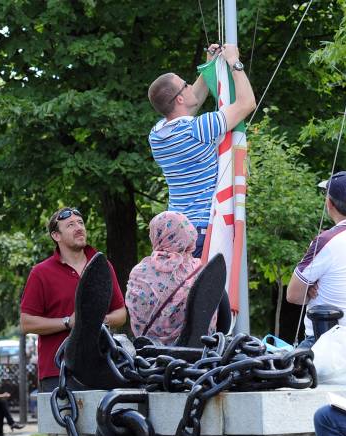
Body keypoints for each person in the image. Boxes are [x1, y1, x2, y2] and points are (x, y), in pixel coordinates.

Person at [148, 43, 256, 257]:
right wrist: (234, 62)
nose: (190, 86)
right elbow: (247, 103)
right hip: (200, 232)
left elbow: (188, 106)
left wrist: (210, 64)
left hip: (175, 231)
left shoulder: (156, 135)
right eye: (185, 84)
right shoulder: (198, 129)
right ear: (179, 98)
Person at [20, 207, 127, 392]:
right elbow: (26, 323)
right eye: (70, 225)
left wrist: (100, 320)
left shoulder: (102, 266)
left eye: (80, 223)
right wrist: (68, 322)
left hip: (101, 369)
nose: (79, 228)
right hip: (58, 372)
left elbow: (121, 313)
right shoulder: (40, 273)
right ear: (56, 236)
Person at [126, 211, 212, 344]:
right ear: (187, 233)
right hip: (198, 355)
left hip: (148, 357)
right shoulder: (201, 270)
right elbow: (222, 317)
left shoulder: (139, 273)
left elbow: (136, 318)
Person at [287, 171, 346, 348]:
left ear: (329, 203)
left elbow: (293, 295)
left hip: (326, 343)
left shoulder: (326, 241)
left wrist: (308, 290)